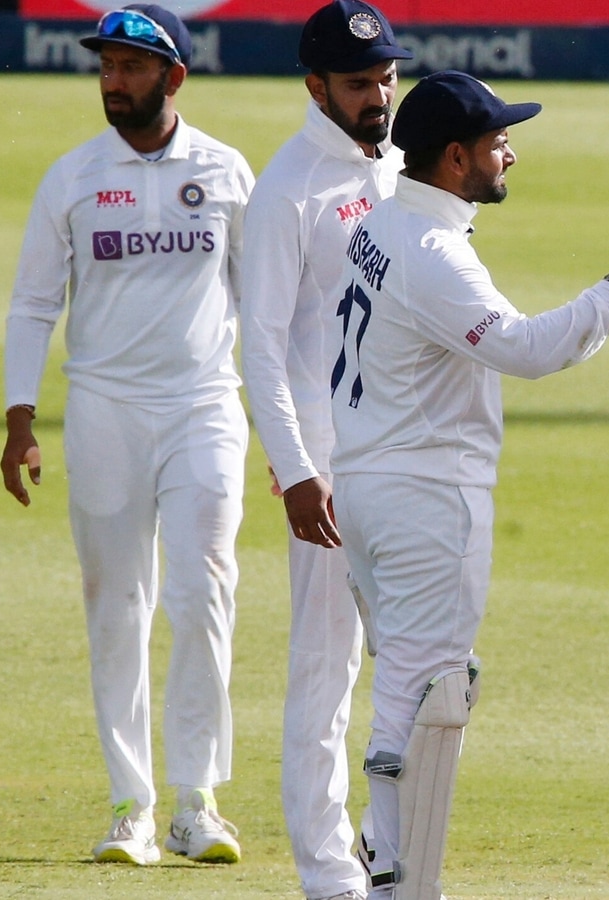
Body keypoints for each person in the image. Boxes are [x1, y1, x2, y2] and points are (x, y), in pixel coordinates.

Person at [327, 70, 609, 900]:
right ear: (454, 158)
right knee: (433, 693)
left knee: (408, 688)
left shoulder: (384, 218)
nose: (510, 153)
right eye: (496, 143)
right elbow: (527, 349)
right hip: (425, 496)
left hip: (370, 483)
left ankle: (386, 867)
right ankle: (400, 883)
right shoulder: (432, 254)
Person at [0, 3, 251, 867]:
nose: (113, 81)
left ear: (173, 77)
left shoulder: (225, 171)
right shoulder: (71, 177)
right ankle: (129, 806)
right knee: (118, 606)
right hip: (104, 408)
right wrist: (19, 419)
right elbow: (35, 303)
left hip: (204, 406)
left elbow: (267, 302)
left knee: (205, 591)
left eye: (131, 67)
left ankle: (196, 801)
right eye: (105, 65)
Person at [239, 2, 410, 897]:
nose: (378, 95)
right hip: (331, 471)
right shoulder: (288, 188)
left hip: (404, 453)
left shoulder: (399, 166)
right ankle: (328, 872)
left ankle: (393, 853)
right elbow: (259, 346)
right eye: (358, 84)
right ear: (316, 87)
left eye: (385, 77)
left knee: (418, 666)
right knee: (327, 669)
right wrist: (299, 469)